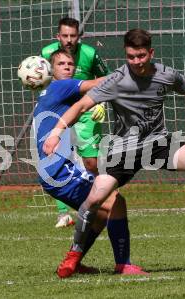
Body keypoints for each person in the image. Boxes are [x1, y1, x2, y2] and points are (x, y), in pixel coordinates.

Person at [43, 29, 185, 278]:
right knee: (94, 200)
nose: (136, 62)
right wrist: (57, 131)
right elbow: (81, 105)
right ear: (126, 54)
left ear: (150, 53)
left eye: (141, 56)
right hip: (124, 150)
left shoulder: (166, 75)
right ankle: (74, 255)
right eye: (131, 57)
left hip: (157, 144)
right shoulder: (116, 80)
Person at [35, 48, 147, 277]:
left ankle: (74, 262)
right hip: (59, 171)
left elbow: (87, 99)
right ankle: (123, 264)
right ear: (51, 70)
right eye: (61, 64)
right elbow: (99, 82)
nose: (67, 67)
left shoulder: (53, 93)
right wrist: (131, 71)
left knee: (102, 212)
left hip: (55, 171)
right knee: (115, 201)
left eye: (70, 64)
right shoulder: (60, 86)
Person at [41, 17, 110, 228]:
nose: (69, 40)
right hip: (59, 112)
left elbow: (105, 77)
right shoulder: (46, 54)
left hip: (87, 111)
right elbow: (40, 78)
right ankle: (63, 214)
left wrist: (101, 104)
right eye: (65, 36)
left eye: (73, 36)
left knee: (90, 163)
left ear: (79, 36)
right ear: (58, 36)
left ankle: (98, 200)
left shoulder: (89, 53)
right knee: (56, 158)